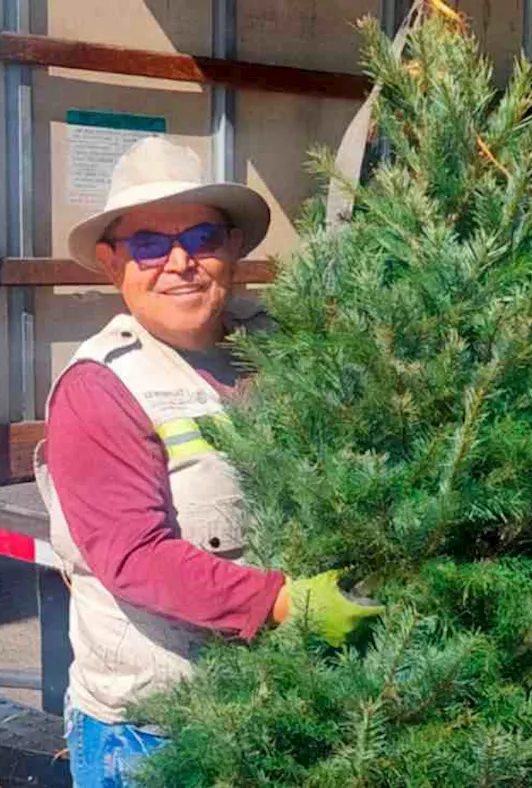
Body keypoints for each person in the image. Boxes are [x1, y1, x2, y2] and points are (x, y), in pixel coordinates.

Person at [35, 137, 382, 786]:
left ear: (232, 250)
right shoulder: (101, 388)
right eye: (147, 244)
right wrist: (286, 605)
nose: (179, 262)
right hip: (150, 736)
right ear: (114, 265)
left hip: (273, 708)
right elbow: (138, 559)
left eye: (201, 237)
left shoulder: (278, 349)